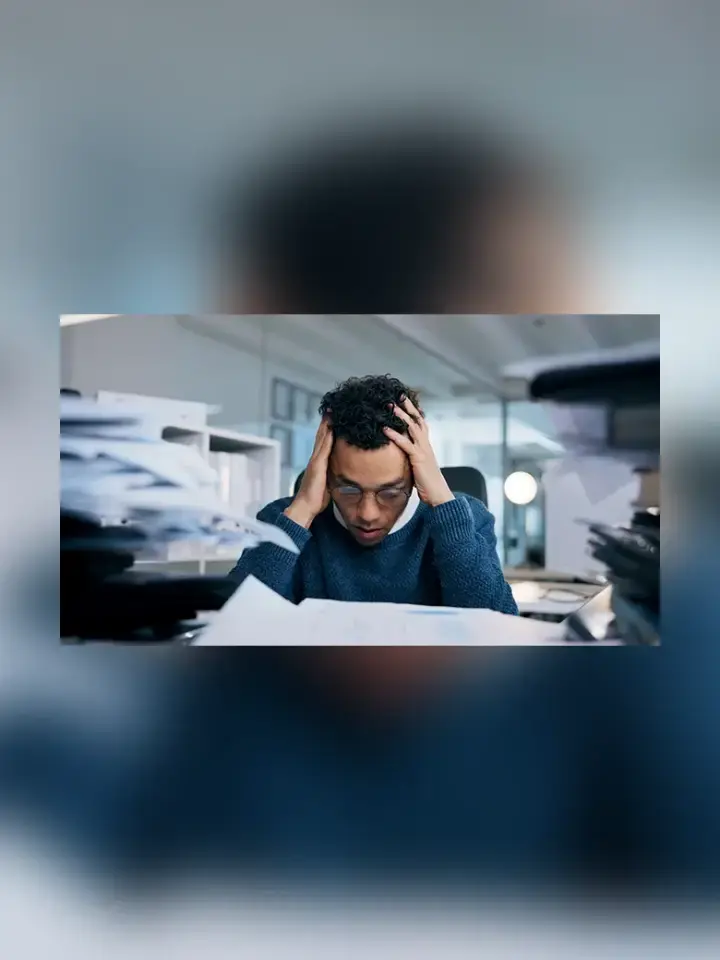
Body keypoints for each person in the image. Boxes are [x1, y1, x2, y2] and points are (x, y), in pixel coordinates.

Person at [230, 374, 517, 614]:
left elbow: (499, 631)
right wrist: (302, 510)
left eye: (390, 492)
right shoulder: (280, 522)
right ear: (326, 472)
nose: (367, 514)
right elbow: (230, 626)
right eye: (349, 489)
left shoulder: (468, 521)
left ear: (415, 475)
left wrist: (443, 503)